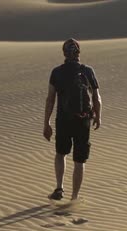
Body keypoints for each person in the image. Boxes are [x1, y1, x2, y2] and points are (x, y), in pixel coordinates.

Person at [43, 38, 102, 201]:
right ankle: (74, 197)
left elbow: (50, 99)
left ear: (64, 53)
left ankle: (59, 187)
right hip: (83, 120)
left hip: (64, 120)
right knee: (79, 160)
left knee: (61, 153)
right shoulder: (88, 71)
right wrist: (98, 116)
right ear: (78, 53)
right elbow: (96, 97)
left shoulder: (57, 72)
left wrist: (46, 123)